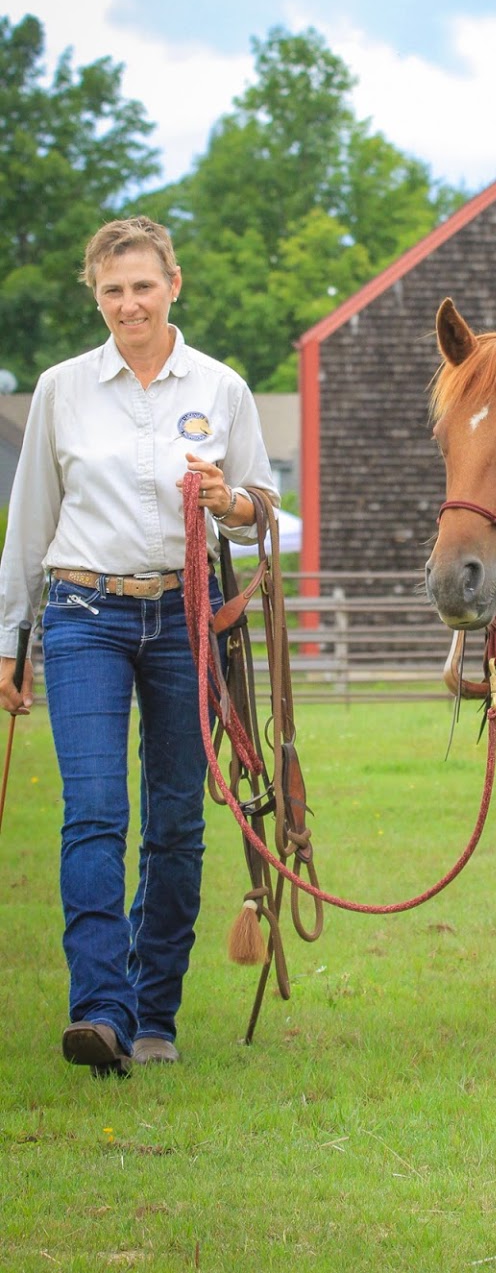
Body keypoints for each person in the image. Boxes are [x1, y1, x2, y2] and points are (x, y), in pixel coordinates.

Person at [0, 217, 279, 1076]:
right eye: (113, 289)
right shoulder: (61, 388)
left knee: (175, 824)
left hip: (184, 619)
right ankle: (101, 1012)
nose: (129, 302)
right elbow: (31, 518)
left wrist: (229, 502)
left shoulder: (223, 387)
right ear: (97, 294)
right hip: (84, 611)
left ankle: (155, 1010)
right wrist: (10, 636)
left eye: (143, 286)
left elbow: (264, 504)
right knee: (93, 812)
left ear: (174, 285)